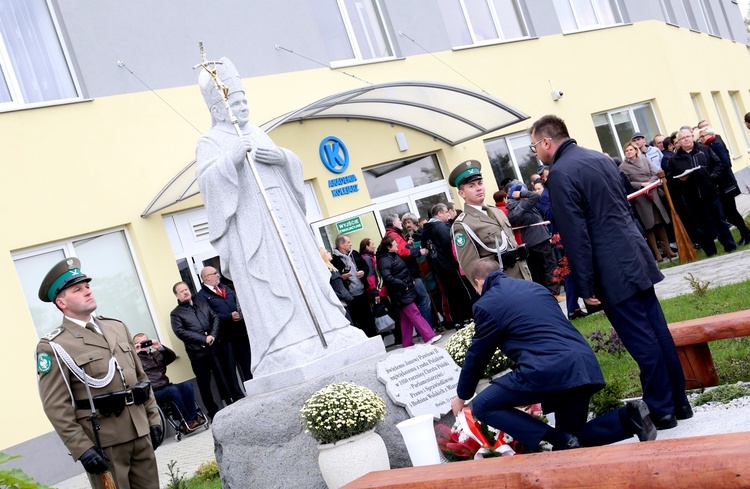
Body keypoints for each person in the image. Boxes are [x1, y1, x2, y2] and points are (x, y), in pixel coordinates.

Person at [195, 57, 365, 379]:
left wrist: (283, 157)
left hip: (283, 212)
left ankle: (329, 326)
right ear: (219, 108)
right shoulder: (210, 142)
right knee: (275, 278)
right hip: (253, 223)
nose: (243, 107)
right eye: (235, 102)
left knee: (303, 269)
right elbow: (208, 183)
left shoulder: (258, 132)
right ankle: (286, 340)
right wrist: (230, 160)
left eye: (245, 100)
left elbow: (288, 164)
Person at [529, 114, 691, 430]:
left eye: (534, 146)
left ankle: (662, 409)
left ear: (547, 142)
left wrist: (586, 284)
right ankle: (679, 403)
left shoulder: (560, 174)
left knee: (643, 341)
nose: (535, 152)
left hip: (611, 267)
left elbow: (576, 234)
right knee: (659, 332)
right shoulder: (597, 158)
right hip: (634, 254)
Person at [450, 259, 657, 451]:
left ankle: (554, 437)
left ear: (478, 282)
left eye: (476, 288)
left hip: (547, 370)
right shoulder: (535, 287)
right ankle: (629, 418)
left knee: (484, 405)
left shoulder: (487, 304)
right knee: (570, 443)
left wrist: (462, 395)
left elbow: (477, 355)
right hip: (582, 364)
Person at [35, 258, 160, 489]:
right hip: (104, 442)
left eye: (88, 287)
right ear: (61, 302)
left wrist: (153, 418)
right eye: (78, 289)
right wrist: (82, 448)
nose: (88, 292)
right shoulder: (54, 346)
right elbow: (56, 406)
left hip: (140, 431)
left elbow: (141, 379)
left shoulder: (117, 326)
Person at [448, 159, 531, 283]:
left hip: (523, 277)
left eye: (480, 183)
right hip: (502, 286)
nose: (478, 188)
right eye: (471, 186)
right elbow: (471, 267)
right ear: (461, 193)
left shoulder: (496, 211)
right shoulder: (462, 225)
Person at [170, 281, 244, 420]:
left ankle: (231, 404)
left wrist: (213, 336)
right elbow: (180, 332)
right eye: (181, 291)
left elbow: (215, 318)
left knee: (222, 377)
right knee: (205, 385)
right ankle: (213, 413)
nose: (185, 292)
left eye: (186, 289)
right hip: (198, 354)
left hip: (213, 349)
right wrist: (203, 339)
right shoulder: (176, 314)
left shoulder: (201, 304)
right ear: (176, 295)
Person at [669, 127, 736, 256]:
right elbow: (671, 179)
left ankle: (730, 246)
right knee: (701, 225)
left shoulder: (704, 149)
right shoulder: (675, 159)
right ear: (678, 142)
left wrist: (712, 178)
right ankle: (710, 251)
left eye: (688, 136)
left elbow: (718, 164)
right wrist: (680, 180)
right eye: (682, 138)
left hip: (710, 191)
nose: (686, 139)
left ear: (692, 136)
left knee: (720, 220)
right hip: (691, 196)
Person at [376, 235, 441, 347]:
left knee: (405, 319)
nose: (397, 244)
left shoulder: (393, 256)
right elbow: (388, 277)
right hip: (400, 292)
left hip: (404, 290)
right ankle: (429, 336)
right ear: (388, 247)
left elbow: (403, 269)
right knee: (415, 313)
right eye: (394, 243)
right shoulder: (384, 260)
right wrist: (403, 284)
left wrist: (410, 280)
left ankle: (407, 343)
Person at [133, 333, 206, 433]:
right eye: (141, 343)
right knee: (173, 391)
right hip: (153, 392)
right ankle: (187, 422)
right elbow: (131, 371)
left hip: (166, 386)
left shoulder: (156, 354)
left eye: (146, 341)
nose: (144, 345)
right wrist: (135, 354)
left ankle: (193, 419)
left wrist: (160, 347)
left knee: (187, 386)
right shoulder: (135, 360)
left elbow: (171, 357)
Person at [619, 141, 677, 262]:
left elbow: (654, 173)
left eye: (631, 150)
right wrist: (641, 184)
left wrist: (650, 183)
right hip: (640, 197)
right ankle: (657, 254)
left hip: (653, 193)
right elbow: (626, 183)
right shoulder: (623, 167)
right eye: (626, 151)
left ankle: (668, 250)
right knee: (649, 225)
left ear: (636, 150)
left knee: (660, 222)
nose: (629, 152)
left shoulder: (644, 160)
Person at [422, 203, 474, 329]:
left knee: (450, 295)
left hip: (438, 267)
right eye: (446, 212)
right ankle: (468, 317)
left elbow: (425, 246)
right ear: (439, 213)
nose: (448, 214)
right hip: (449, 265)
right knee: (461, 292)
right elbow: (449, 244)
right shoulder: (440, 226)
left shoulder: (427, 228)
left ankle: (457, 320)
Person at [197, 266, 253, 382]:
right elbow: (208, 317)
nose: (218, 275)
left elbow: (237, 302)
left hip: (240, 334)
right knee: (231, 371)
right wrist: (229, 316)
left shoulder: (225, 288)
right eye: (215, 273)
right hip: (225, 339)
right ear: (207, 277)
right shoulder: (201, 296)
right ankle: (239, 395)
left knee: (248, 364)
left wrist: (240, 314)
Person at [699, 126, 750, 246]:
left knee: (731, 212)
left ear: (710, 135)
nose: (700, 139)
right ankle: (746, 232)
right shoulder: (710, 146)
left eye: (702, 136)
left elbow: (724, 163)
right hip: (722, 185)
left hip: (726, 184)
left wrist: (715, 175)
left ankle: (745, 234)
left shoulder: (715, 145)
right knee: (729, 213)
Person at [384, 214, 435, 331]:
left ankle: (425, 329)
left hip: (408, 273)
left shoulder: (394, 234)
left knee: (418, 301)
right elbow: (403, 252)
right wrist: (418, 251)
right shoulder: (393, 235)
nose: (401, 223)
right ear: (393, 223)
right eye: (399, 221)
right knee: (424, 298)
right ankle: (428, 329)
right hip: (410, 273)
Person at [506, 183, 558, 295]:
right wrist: (522, 193)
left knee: (537, 270)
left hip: (529, 242)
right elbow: (535, 196)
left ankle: (544, 294)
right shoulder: (522, 204)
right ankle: (554, 293)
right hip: (540, 240)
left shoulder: (512, 208)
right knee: (549, 266)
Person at [330, 234, 378, 337]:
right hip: (350, 297)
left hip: (362, 292)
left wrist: (363, 272)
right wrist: (343, 277)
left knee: (369, 319)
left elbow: (365, 267)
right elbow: (334, 278)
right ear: (341, 245)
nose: (351, 244)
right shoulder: (334, 260)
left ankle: (376, 339)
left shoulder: (355, 254)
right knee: (358, 322)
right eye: (348, 242)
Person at [320, 247, 354, 322]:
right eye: (326, 252)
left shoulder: (331, 268)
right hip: (339, 301)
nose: (329, 253)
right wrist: (340, 295)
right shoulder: (326, 270)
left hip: (343, 299)